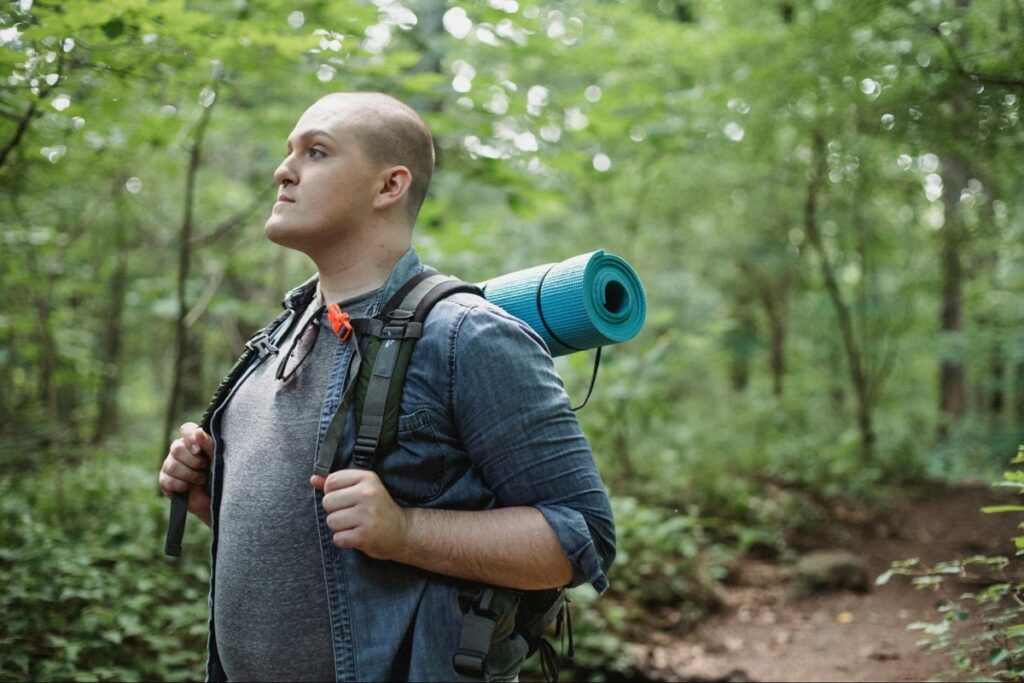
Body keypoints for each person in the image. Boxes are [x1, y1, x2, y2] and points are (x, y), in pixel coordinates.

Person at [157, 92, 615, 682]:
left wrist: (406, 532)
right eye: (288, 151)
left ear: (388, 186)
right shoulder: (278, 337)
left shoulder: (466, 337)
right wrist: (210, 497)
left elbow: (582, 537)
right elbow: (318, 544)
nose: (282, 170)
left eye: (316, 152)